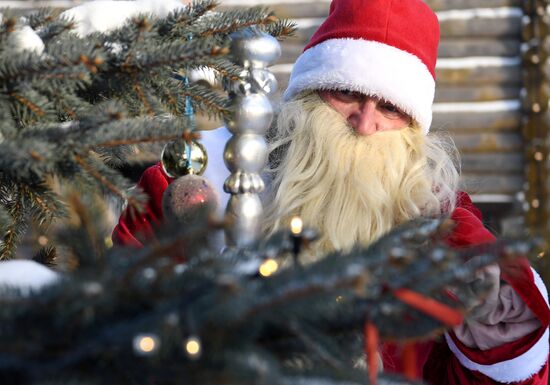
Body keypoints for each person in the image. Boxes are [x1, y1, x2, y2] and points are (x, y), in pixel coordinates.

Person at [112, 0, 550, 383]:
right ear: (309, 94)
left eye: (390, 108)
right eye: (347, 93)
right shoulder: (198, 187)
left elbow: (501, 369)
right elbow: (112, 325)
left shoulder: (440, 222)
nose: (364, 123)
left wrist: (498, 336)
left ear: (413, 131)